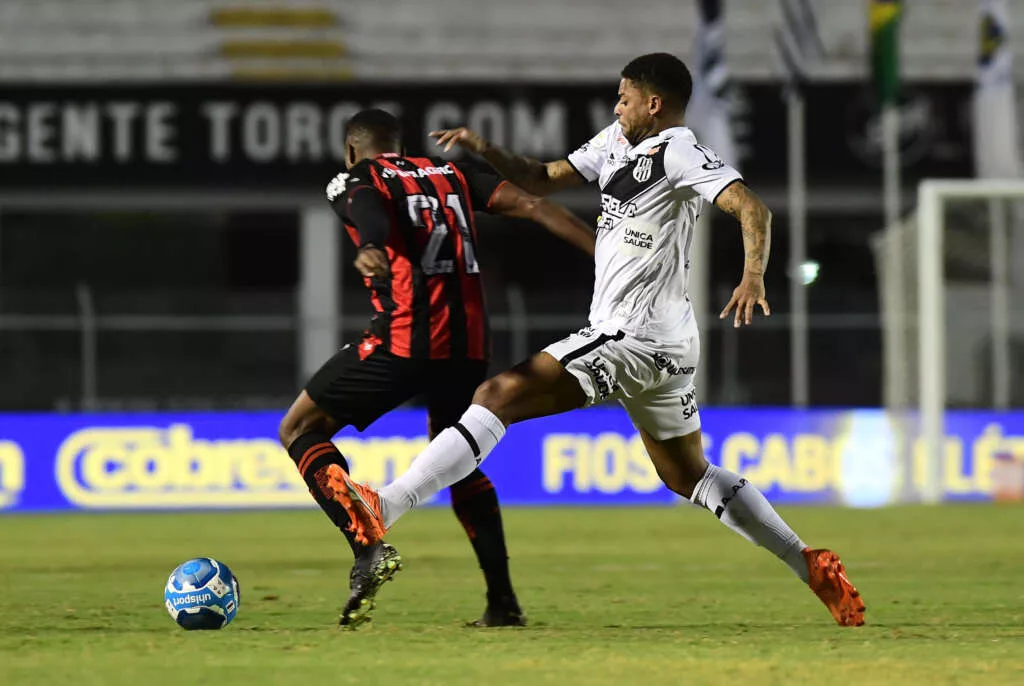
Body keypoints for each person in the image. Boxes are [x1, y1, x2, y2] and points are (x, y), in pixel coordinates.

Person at [324, 55, 866, 628]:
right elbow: (539, 178)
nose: (617, 106)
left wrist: (753, 273)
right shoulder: (615, 142)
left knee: (497, 395)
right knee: (688, 475)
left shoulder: (679, 150)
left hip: (630, 336)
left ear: (653, 104)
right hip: (669, 348)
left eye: (625, 98)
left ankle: (385, 505)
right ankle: (810, 563)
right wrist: (484, 148)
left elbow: (751, 207)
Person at [278, 108, 596, 629]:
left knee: (299, 427)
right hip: (469, 344)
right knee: (458, 462)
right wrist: (606, 256)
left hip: (407, 337)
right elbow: (535, 205)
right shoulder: (450, 173)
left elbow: (367, 208)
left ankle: (365, 545)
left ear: (352, 150)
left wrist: (375, 245)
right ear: (400, 145)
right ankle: (503, 604)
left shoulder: (359, 177)